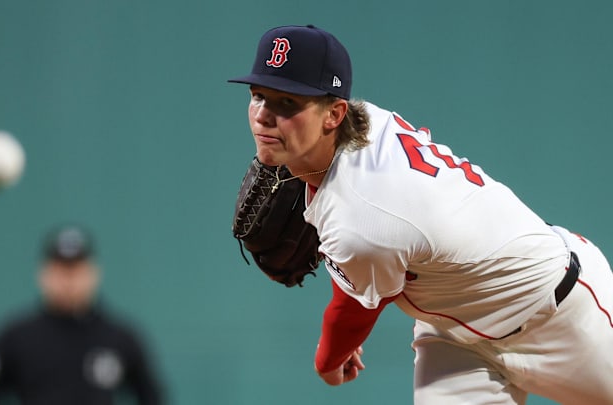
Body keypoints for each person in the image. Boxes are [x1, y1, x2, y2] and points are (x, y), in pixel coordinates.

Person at [228, 25, 613, 404]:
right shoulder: (362, 123)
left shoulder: (363, 217)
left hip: (560, 314)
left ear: (334, 114)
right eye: (258, 95)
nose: (263, 115)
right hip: (455, 341)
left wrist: (328, 361)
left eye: (288, 103)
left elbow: (353, 310)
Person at [0, 225, 164, 405]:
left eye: (76, 270)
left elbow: (151, 395)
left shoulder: (120, 337)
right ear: (43, 274)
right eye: (61, 270)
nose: (69, 281)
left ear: (94, 273)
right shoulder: (15, 336)